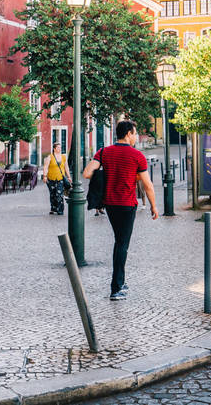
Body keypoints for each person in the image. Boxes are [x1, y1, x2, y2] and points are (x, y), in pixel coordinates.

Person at [83, 120, 158, 301]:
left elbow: (86, 173)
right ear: (128, 134)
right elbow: (147, 185)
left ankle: (120, 282)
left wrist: (106, 174)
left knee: (119, 242)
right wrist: (154, 207)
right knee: (122, 245)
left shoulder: (104, 152)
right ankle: (116, 288)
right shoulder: (136, 156)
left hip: (110, 205)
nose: (135, 137)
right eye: (134, 133)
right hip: (127, 204)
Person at [43, 143, 72, 215]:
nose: (60, 149)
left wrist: (68, 176)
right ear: (54, 149)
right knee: (52, 194)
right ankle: (53, 208)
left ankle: (60, 210)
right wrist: (44, 176)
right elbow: (46, 167)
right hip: (50, 178)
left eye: (60, 147)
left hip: (60, 178)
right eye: (58, 148)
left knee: (59, 194)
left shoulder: (63, 157)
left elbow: (66, 167)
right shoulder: (50, 157)